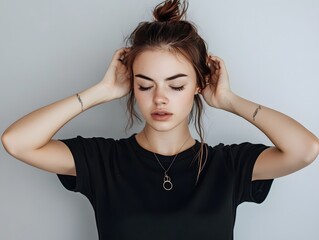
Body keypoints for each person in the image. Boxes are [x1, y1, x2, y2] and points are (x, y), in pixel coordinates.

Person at [1, 0, 318, 239]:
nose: (160, 98)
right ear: (132, 87)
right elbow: (16, 142)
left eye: (176, 85)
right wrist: (101, 91)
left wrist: (230, 101)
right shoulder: (103, 160)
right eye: (145, 85)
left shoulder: (228, 165)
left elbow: (305, 149)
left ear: (198, 85)